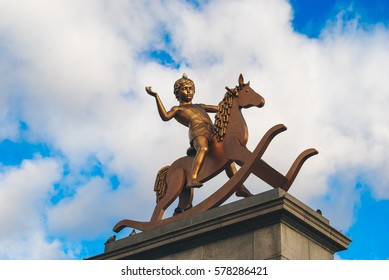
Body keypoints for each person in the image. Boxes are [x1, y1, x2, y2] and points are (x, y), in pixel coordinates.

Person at [146, 73, 218, 188]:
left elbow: (220, 107)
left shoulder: (200, 106)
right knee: (203, 148)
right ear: (177, 93)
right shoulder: (178, 109)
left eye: (191, 89)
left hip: (212, 131)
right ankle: (193, 178)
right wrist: (156, 96)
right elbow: (165, 116)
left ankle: (239, 187)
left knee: (225, 149)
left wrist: (232, 95)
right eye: (184, 89)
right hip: (198, 132)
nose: (188, 91)